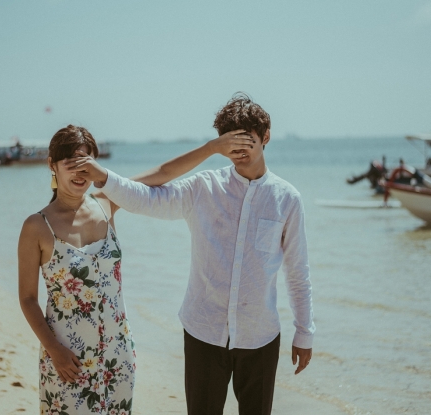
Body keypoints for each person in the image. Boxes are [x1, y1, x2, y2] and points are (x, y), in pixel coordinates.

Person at [69, 93, 315, 415]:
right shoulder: (202, 188)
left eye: (247, 142)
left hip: (260, 337)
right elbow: (144, 198)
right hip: (203, 332)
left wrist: (305, 332)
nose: (239, 152)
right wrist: (104, 178)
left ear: (266, 137)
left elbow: (298, 271)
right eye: (231, 143)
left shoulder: (287, 199)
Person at [17, 124, 254, 414]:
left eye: (87, 165)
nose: (80, 174)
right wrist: (54, 350)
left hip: (117, 352)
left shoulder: (107, 203)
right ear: (52, 165)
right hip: (67, 356)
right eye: (70, 164)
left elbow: (162, 174)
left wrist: (212, 148)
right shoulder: (36, 226)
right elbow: (28, 298)